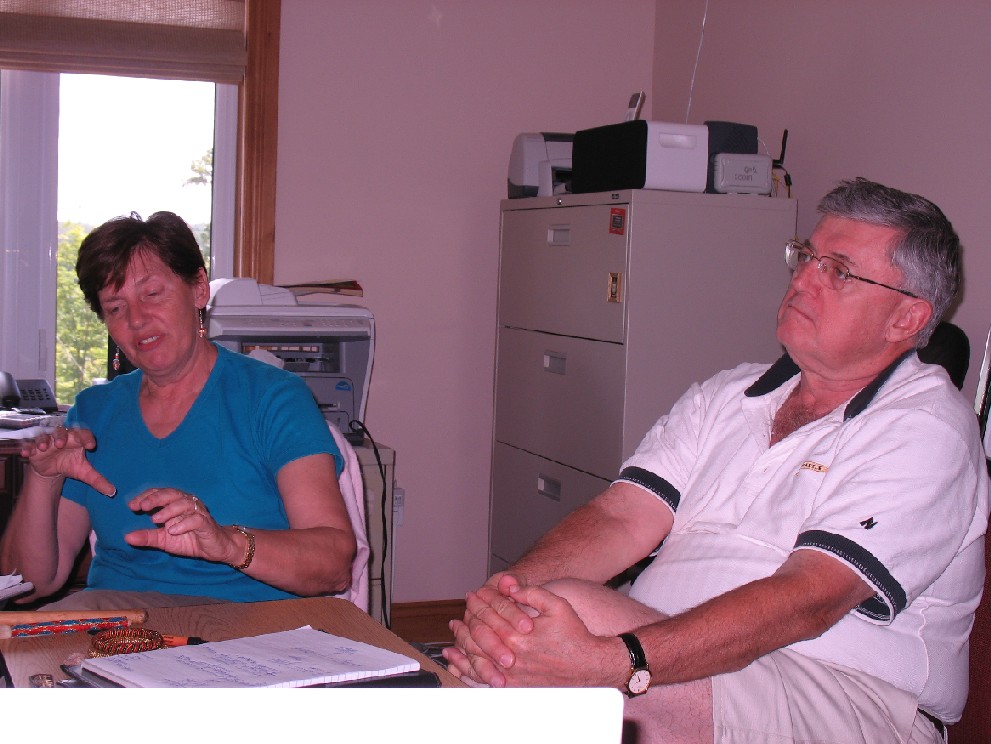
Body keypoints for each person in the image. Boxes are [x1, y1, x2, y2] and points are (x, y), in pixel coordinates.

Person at [445, 178, 989, 743]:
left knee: (568, 618)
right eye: (806, 257)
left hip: (851, 699)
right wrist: (505, 598)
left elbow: (811, 597)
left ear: (905, 319)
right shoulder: (729, 395)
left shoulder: (926, 427)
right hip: (676, 657)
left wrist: (621, 662)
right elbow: (621, 517)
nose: (803, 279)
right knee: (533, 618)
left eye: (839, 272)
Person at [0, 211, 357, 609]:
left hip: (248, 626)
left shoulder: (273, 398)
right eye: (115, 308)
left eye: (152, 294)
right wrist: (43, 479)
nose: (136, 319)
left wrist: (227, 543)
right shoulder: (94, 410)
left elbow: (334, 565)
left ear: (198, 289)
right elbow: (30, 584)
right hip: (118, 625)